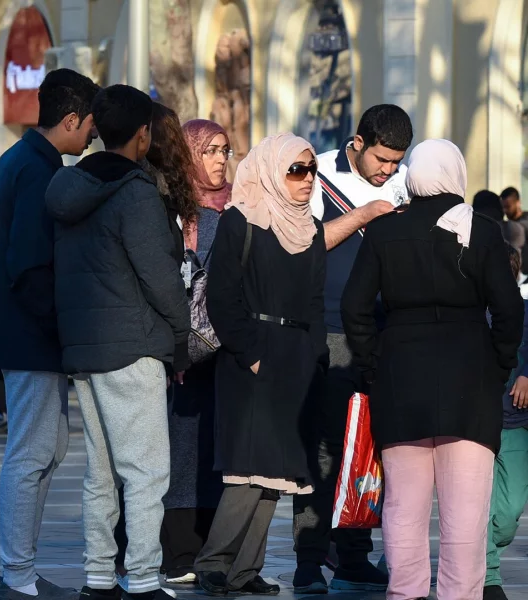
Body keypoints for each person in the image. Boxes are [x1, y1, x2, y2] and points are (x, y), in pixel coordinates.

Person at [341, 139, 524, 600]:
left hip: (400, 380)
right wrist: (499, 365)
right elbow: (508, 311)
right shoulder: (480, 231)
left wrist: (371, 365)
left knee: (404, 509)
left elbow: (354, 307)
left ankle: (406, 594)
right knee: (466, 516)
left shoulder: (384, 232)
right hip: (470, 382)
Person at [46, 85, 190, 600]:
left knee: (103, 472)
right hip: (132, 344)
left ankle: (99, 577)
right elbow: (162, 280)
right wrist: (179, 339)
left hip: (84, 347)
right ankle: (147, 579)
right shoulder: (135, 192)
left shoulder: (67, 189)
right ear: (144, 133)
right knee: (148, 471)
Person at [195, 133, 327, 596]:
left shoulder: (309, 227)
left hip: (295, 357)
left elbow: (315, 301)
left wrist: (311, 355)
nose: (307, 180)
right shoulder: (241, 220)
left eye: (311, 170)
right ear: (273, 170)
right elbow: (222, 297)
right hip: (250, 353)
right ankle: (214, 561)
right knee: (248, 467)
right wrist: (250, 354)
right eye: (296, 170)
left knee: (276, 469)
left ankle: (245, 570)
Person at [0, 67, 99, 600]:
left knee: (48, 448)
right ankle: (17, 575)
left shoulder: (25, 159)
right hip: (30, 337)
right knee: (31, 452)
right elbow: (29, 265)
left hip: (28, 335)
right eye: (91, 124)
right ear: (72, 119)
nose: (94, 135)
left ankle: (21, 571)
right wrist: (63, 331)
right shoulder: (35, 168)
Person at [293, 104, 413, 593]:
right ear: (357, 144)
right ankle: (307, 556)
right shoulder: (314, 172)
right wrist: (366, 215)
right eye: (382, 159)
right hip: (329, 331)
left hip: (389, 332)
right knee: (323, 447)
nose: (388, 171)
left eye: (396, 162)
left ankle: (354, 554)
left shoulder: (407, 181)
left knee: (371, 448)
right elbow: (302, 246)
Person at [144, 112, 229, 586]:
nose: (219, 161)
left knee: (211, 444)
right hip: (174, 353)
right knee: (177, 446)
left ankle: (211, 549)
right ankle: (177, 551)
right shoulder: (167, 206)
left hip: (219, 352)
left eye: (224, 150)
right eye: (208, 151)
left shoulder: (236, 208)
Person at [484, 245, 528, 600]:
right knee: (478, 502)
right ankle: (489, 575)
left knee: (511, 508)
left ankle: (482, 545)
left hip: (515, 420)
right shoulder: (470, 313)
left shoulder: (525, 310)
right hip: (477, 421)